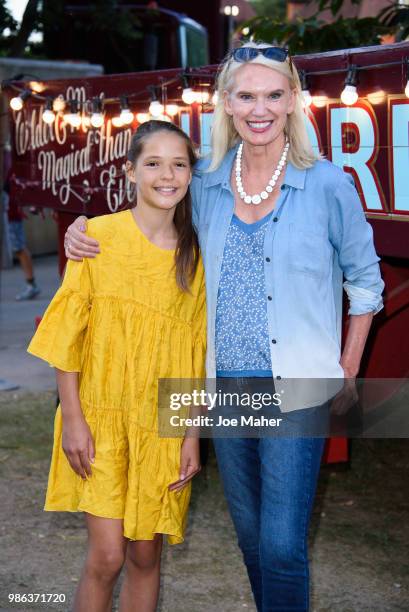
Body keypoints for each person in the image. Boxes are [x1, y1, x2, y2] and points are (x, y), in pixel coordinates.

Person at [64, 42, 384, 612]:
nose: (259, 109)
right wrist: (82, 231)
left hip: (298, 386)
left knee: (283, 543)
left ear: (291, 102)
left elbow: (365, 284)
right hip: (223, 388)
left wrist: (348, 367)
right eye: (246, 96)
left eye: (272, 95)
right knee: (251, 536)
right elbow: (145, 225)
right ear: (227, 104)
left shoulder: (329, 185)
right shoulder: (206, 182)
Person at [28, 120, 206, 612]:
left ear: (191, 175)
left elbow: (192, 358)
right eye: (152, 163)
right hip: (99, 420)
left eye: (179, 164)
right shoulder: (97, 238)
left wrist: (190, 436)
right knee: (107, 557)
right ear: (130, 172)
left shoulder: (195, 257)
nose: (166, 175)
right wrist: (74, 422)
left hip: (159, 428)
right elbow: (68, 338)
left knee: (146, 554)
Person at [4, 172, 41, 300]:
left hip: (11, 215)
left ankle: (31, 284)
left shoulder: (11, 171)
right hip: (10, 214)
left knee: (19, 248)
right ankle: (31, 284)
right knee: (18, 248)